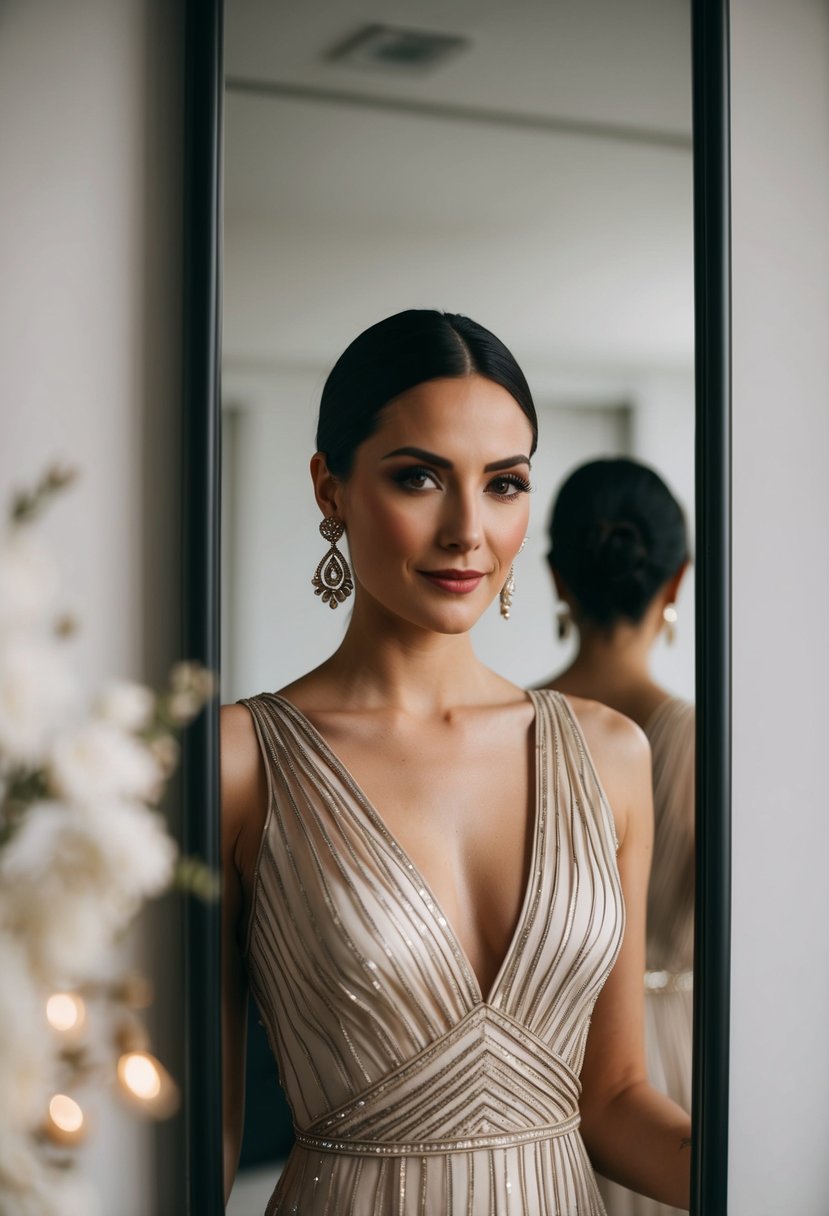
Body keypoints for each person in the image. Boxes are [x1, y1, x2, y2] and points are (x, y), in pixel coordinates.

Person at [221, 311, 691, 1214]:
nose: (467, 529)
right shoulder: (242, 760)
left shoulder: (608, 755)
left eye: (504, 484)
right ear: (330, 489)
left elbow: (615, 1102)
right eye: (418, 477)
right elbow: (209, 1136)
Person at [541, 457, 694, 1216]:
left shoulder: (503, 732)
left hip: (539, 1063)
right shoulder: (704, 746)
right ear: (677, 582)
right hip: (668, 1067)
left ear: (556, 581)